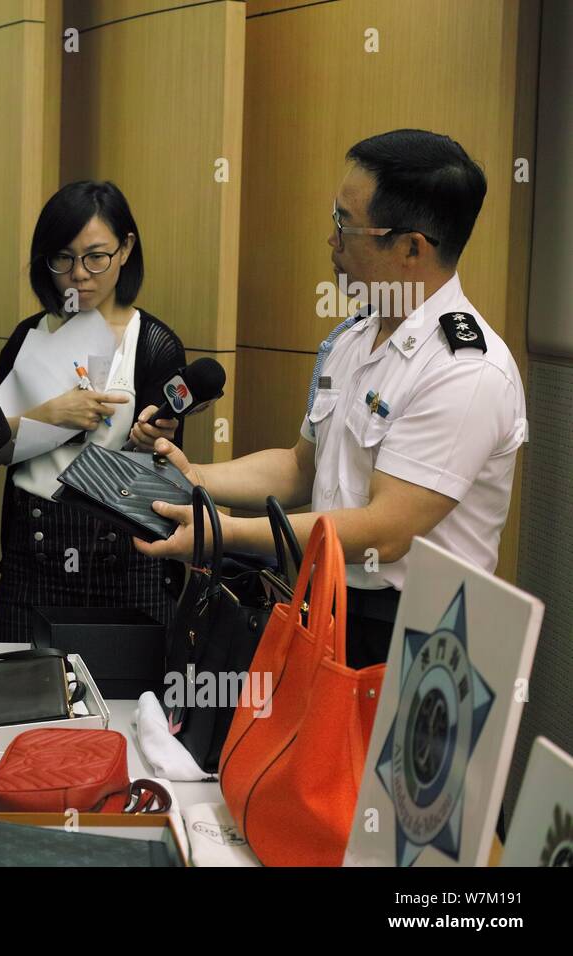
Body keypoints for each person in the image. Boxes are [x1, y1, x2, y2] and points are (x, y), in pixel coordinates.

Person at [135, 130, 522, 670]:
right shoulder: (353, 338)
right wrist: (194, 479)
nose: (332, 239)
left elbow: (383, 532)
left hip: (418, 640)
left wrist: (221, 535)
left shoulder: (466, 370)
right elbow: (300, 467)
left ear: (412, 248)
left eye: (346, 223)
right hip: (327, 607)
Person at [0, 181, 184, 641]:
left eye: (96, 256)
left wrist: (151, 443)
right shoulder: (29, 337)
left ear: (126, 249)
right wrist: (51, 414)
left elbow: (167, 474)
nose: (79, 274)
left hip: (127, 559)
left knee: (130, 706)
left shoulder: (153, 343)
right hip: (34, 559)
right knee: (23, 703)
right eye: (63, 258)